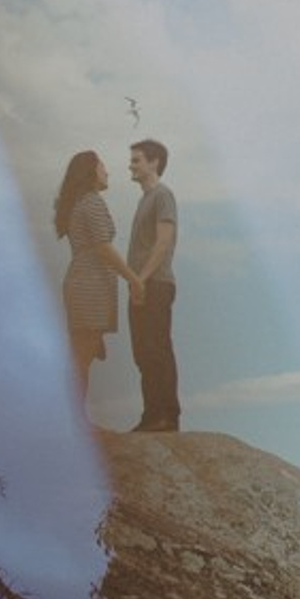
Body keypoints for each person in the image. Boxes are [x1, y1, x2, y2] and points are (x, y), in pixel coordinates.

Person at [54, 150, 143, 414]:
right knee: (81, 357)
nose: (107, 172)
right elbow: (103, 247)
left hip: (84, 282)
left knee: (81, 354)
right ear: (90, 172)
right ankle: (73, 420)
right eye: (103, 167)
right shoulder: (91, 202)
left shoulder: (80, 203)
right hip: (89, 285)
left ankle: (72, 417)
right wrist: (133, 279)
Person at [127, 138, 180, 432]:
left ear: (154, 162)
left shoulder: (163, 195)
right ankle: (151, 415)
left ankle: (167, 415)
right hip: (141, 285)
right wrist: (136, 283)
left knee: (157, 348)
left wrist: (141, 278)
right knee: (142, 352)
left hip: (156, 284)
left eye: (136, 160)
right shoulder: (144, 199)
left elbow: (163, 242)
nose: (131, 166)